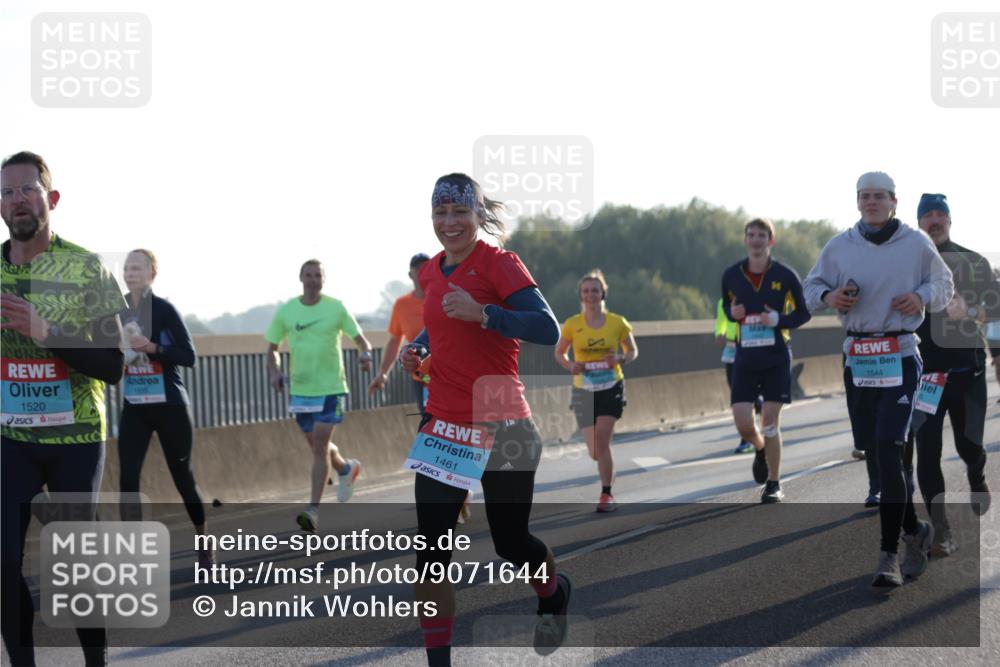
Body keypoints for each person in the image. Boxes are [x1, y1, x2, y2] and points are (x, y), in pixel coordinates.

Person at [399, 173, 568, 666]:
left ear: (477, 215)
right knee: (430, 556)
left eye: (459, 212)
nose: (449, 223)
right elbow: (439, 326)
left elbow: (546, 326)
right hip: (444, 423)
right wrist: (419, 352)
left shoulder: (501, 263)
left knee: (511, 542)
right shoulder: (431, 271)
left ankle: (552, 593)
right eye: (440, 213)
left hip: (502, 420)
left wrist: (487, 313)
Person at [1, 151, 125, 666]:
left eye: (28, 189)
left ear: (50, 199)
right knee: (3, 562)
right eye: (7, 192)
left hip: (75, 440)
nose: (18, 200)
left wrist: (44, 330)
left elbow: (113, 364)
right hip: (11, 439)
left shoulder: (86, 266)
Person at [804, 171, 953, 589]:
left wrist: (920, 297)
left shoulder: (915, 243)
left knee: (891, 450)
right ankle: (914, 530)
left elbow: (943, 283)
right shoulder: (839, 246)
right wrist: (830, 297)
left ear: (893, 201)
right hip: (858, 357)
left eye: (878, 196)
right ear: (857, 202)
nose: (871, 202)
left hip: (900, 354)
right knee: (877, 454)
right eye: (864, 196)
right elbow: (808, 288)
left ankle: (889, 555)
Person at [911, 193, 998, 556]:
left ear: (949, 219)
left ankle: (976, 472)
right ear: (918, 222)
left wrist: (972, 310)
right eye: (927, 215)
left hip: (966, 371)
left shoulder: (973, 262)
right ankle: (942, 532)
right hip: (926, 376)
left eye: (939, 214)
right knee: (927, 454)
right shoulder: (907, 263)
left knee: (969, 446)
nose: (934, 220)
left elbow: (995, 306)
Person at [117, 249, 212, 566]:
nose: (132, 273)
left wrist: (153, 347)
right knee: (128, 480)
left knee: (182, 478)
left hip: (170, 404)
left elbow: (188, 356)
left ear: (151, 274)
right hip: (135, 405)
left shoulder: (165, 310)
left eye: (138, 268)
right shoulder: (118, 312)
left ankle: (202, 537)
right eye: (128, 268)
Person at [265, 259, 373, 532]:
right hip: (301, 391)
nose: (313, 280)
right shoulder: (288, 311)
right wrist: (275, 372)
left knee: (321, 446)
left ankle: (312, 509)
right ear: (300, 277)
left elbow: (360, 340)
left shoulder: (335, 307)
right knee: (317, 447)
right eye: (308, 275)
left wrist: (365, 355)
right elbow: (272, 348)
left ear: (324, 279)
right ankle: (346, 469)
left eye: (318, 275)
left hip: (332, 388)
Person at [721, 218, 811, 503]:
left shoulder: (785, 275)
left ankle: (773, 483)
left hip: (775, 358)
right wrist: (732, 313)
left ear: (771, 241)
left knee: (770, 420)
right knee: (743, 423)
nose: (756, 239)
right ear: (745, 240)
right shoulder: (732, 274)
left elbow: (804, 313)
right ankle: (759, 447)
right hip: (745, 358)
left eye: (762, 235)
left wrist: (778, 319)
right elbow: (727, 305)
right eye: (752, 235)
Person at [555, 269, 638, 512]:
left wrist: (620, 359)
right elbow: (559, 353)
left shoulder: (617, 322)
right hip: (583, 389)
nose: (590, 295)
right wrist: (572, 365)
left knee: (602, 439)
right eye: (586, 291)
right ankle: (608, 472)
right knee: (595, 450)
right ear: (581, 296)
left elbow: (633, 351)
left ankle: (606, 494)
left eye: (595, 290)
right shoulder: (572, 324)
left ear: (603, 294)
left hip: (611, 385)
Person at [368, 252, 430, 414]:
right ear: (411, 274)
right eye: (418, 268)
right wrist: (382, 373)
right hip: (423, 379)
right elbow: (395, 341)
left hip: (451, 377)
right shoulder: (402, 305)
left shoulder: (443, 297)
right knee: (429, 425)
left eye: (427, 267)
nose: (423, 271)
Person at [715, 297, 755, 454]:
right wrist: (719, 333)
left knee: (744, 396)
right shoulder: (722, 301)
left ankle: (747, 438)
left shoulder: (751, 297)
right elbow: (721, 323)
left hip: (748, 349)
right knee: (737, 397)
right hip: (731, 351)